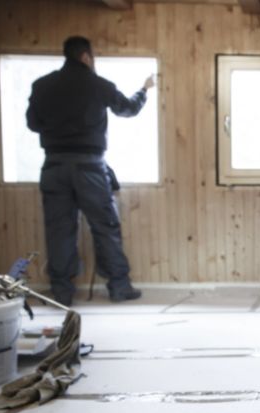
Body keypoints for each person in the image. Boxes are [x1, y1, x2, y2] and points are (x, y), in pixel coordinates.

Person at [26, 36, 155, 307]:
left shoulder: (42, 86)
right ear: (86, 56)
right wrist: (144, 90)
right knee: (105, 227)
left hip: (54, 166)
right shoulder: (98, 85)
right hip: (90, 167)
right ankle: (119, 287)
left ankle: (62, 293)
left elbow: (34, 125)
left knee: (59, 230)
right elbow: (127, 109)